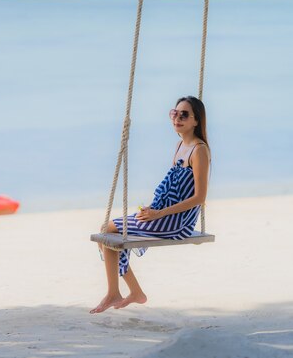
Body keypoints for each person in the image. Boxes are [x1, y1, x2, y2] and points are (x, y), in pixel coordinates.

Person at [90, 96, 211, 314]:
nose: (177, 118)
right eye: (175, 113)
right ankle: (131, 292)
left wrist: (158, 214)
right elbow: (173, 188)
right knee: (106, 233)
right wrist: (153, 210)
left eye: (184, 115)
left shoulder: (199, 150)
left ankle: (118, 292)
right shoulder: (180, 146)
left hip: (177, 222)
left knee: (109, 232)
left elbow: (199, 197)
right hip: (163, 214)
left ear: (196, 120)